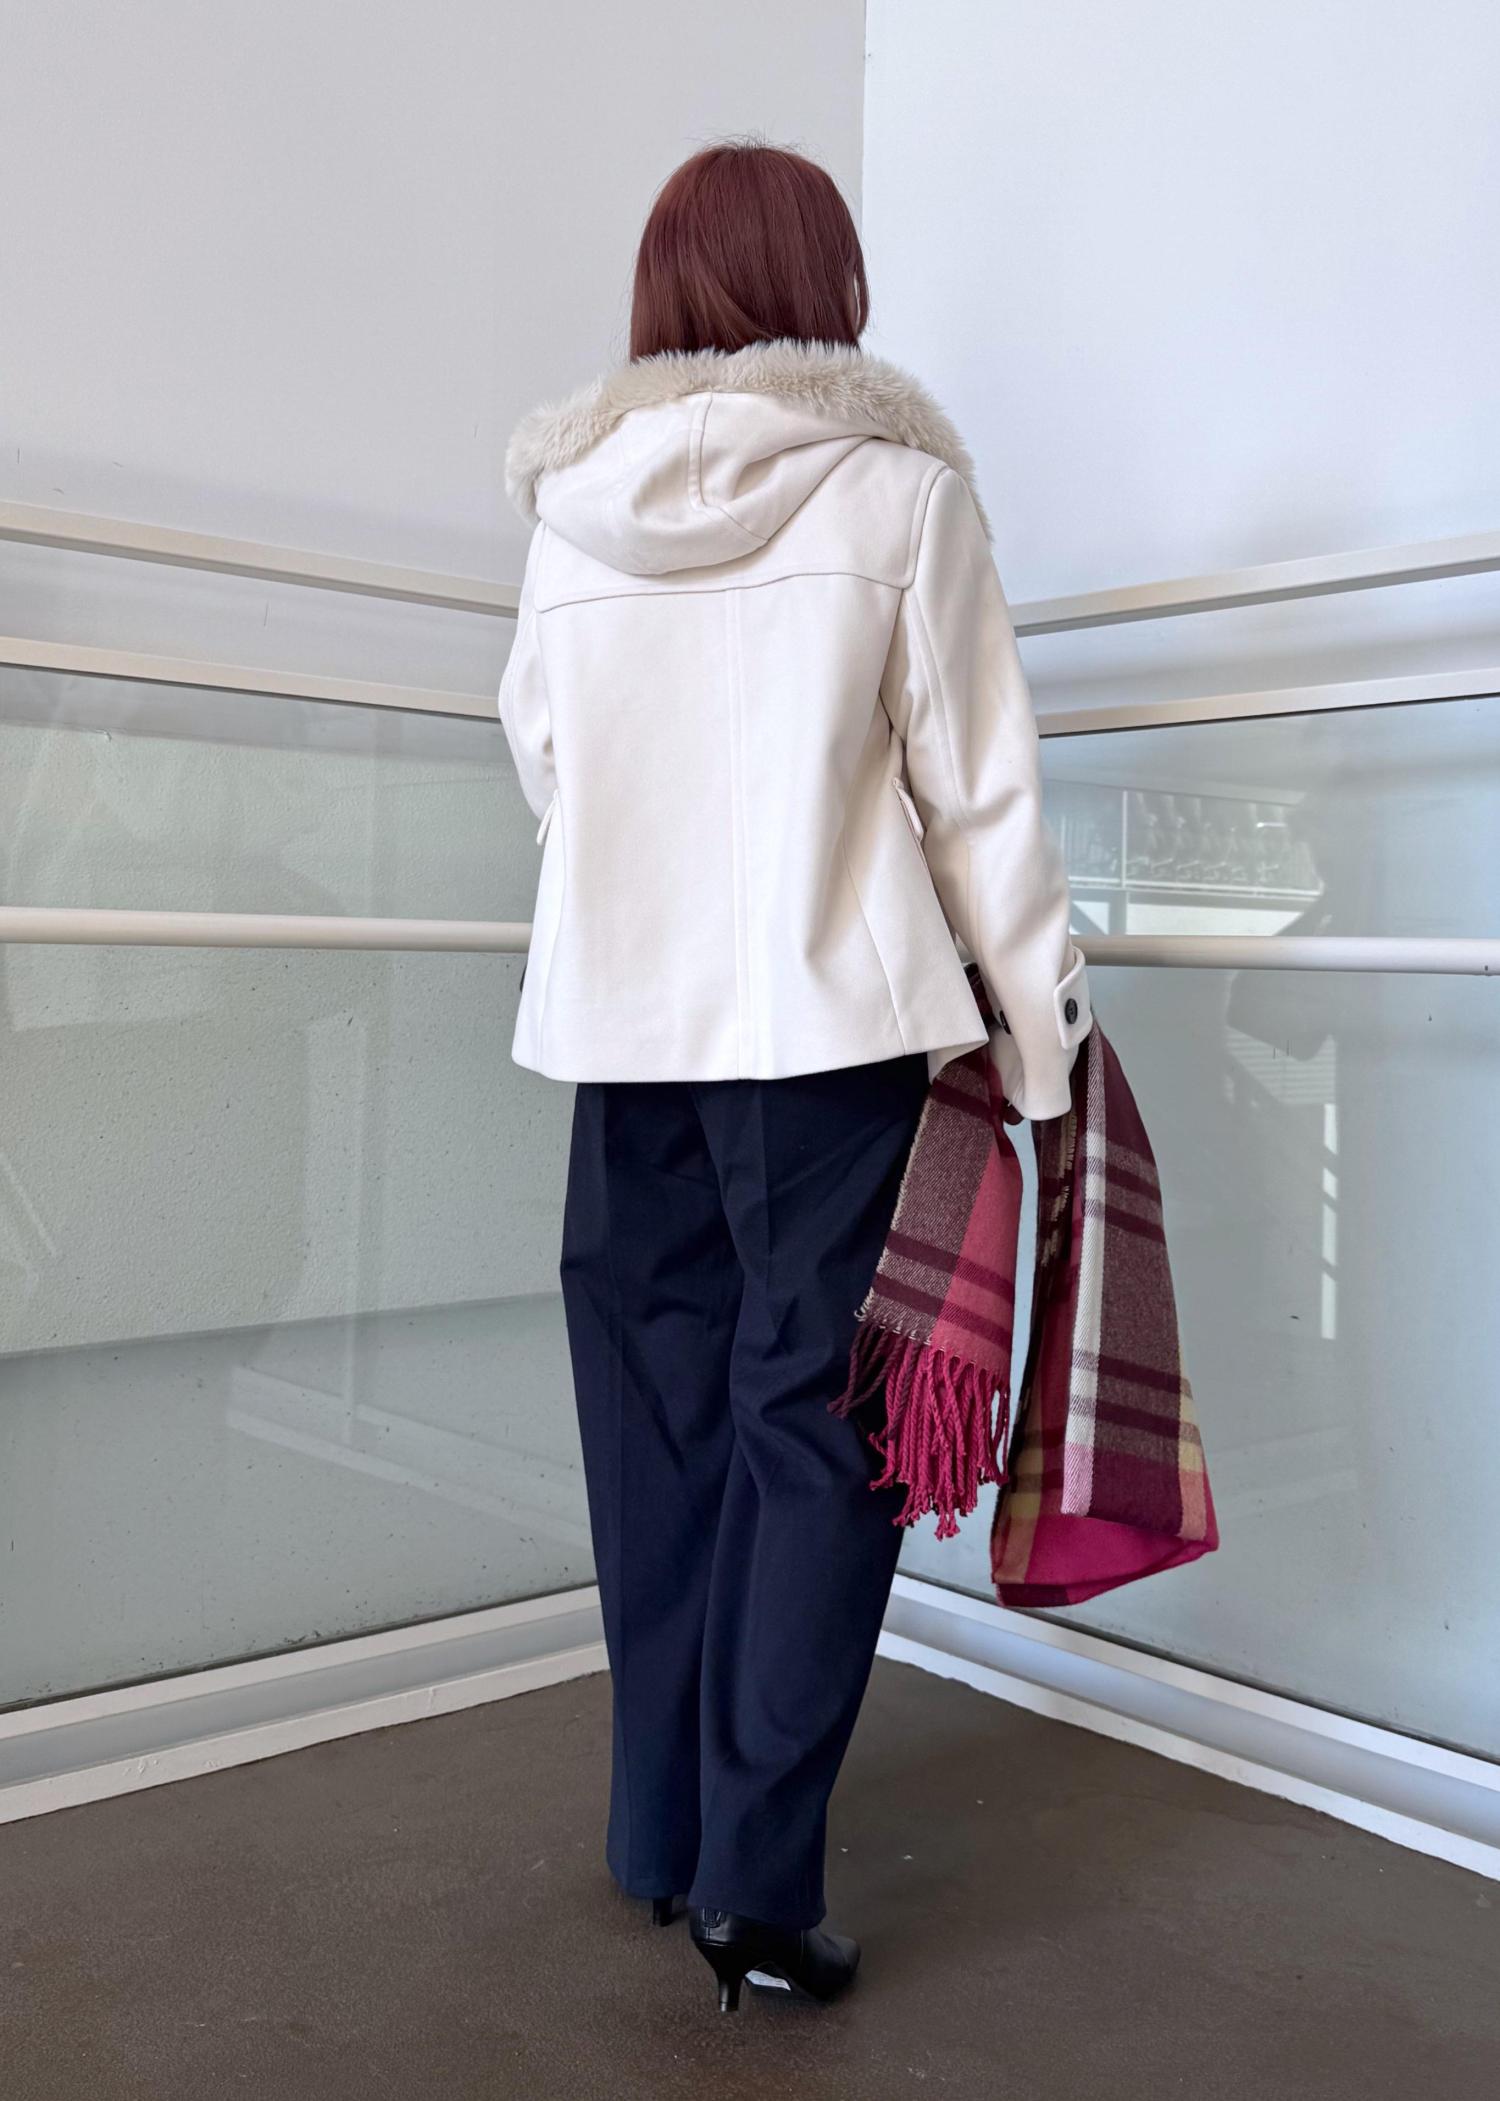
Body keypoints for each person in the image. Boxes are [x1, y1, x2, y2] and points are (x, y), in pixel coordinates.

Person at [499, 139, 1089, 2013]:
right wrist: (1043, 1036)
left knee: (651, 1423)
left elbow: (546, 762)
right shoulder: (899, 492)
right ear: (826, 284)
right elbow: (979, 794)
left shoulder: (570, 510)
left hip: (623, 1042)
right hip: (831, 1035)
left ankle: (658, 1834)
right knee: (816, 1434)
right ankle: (754, 1883)